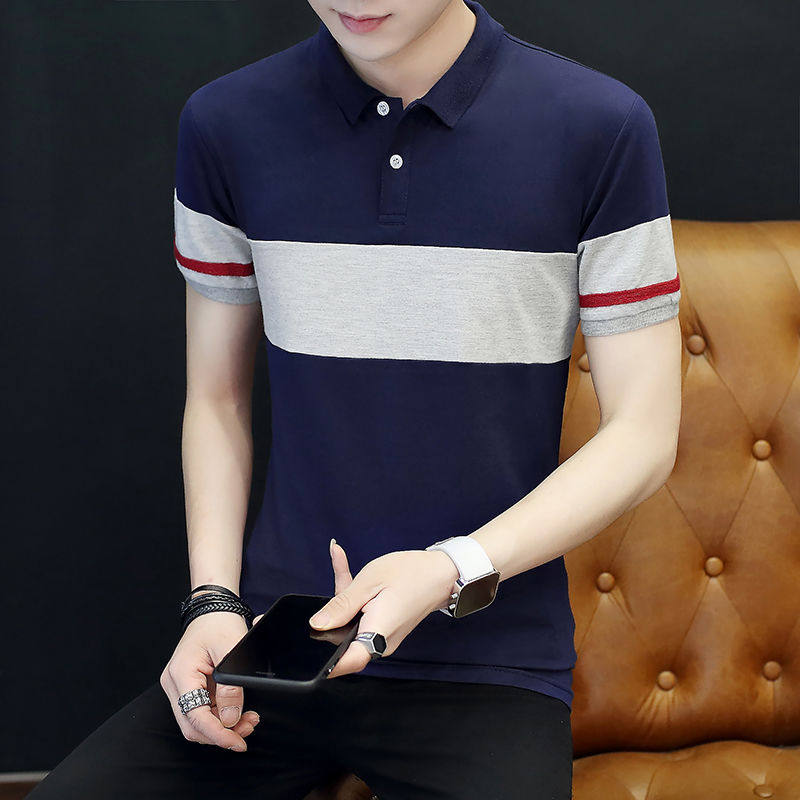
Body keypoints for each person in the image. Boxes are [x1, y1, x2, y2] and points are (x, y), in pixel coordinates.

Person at [28, 0, 682, 798]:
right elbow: (217, 400)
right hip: (274, 646)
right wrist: (212, 603)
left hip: (485, 663)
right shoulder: (227, 123)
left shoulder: (600, 126)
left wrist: (450, 568)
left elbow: (644, 433)